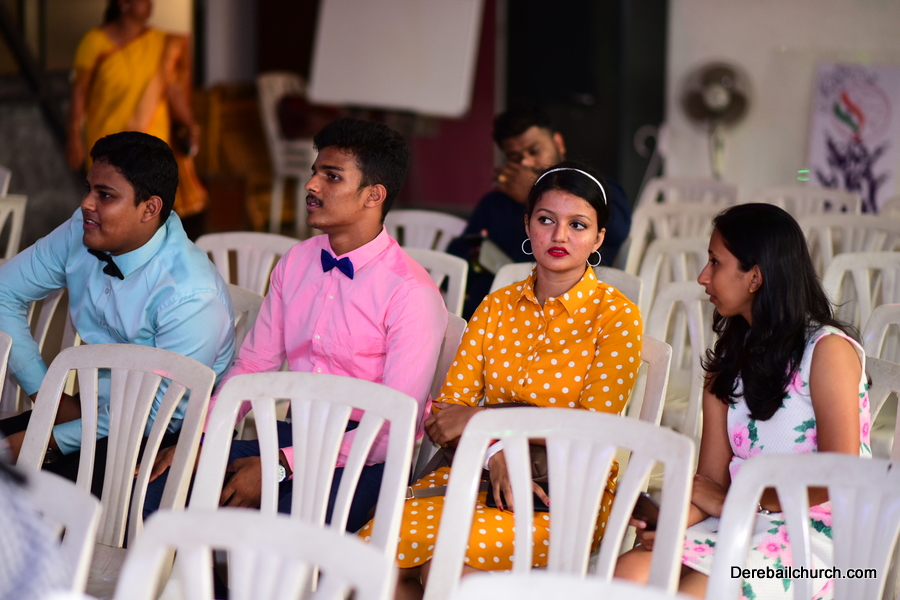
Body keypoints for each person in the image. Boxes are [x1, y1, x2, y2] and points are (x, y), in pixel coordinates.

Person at [144, 118, 448, 532]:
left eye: (332, 176)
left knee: (275, 538)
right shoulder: (297, 261)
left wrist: (280, 466)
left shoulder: (410, 292)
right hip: (292, 433)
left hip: (364, 457)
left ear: (373, 195)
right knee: (161, 491)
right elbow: (253, 365)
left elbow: (393, 429)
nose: (311, 185)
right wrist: (202, 436)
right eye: (314, 171)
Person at [365, 160, 643, 600]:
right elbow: (445, 415)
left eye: (578, 225)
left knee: (444, 570)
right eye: (546, 220)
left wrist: (482, 421)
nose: (560, 235)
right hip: (475, 472)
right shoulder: (497, 306)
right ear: (527, 225)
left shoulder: (616, 317)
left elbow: (593, 428)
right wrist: (495, 452)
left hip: (566, 489)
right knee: (371, 562)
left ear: (598, 238)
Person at [614, 203, 871, 599]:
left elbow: (839, 474)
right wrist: (671, 523)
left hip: (813, 533)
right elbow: (710, 483)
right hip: (737, 517)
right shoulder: (727, 362)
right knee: (627, 574)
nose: (703, 276)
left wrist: (739, 502)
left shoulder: (827, 352)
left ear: (755, 276)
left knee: (697, 591)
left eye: (715, 262)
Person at [0, 131, 234, 495]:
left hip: (161, 436)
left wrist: (45, 441)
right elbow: (4, 292)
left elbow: (160, 414)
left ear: (150, 209)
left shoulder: (190, 294)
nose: (86, 204)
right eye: (89, 189)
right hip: (93, 411)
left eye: (105, 195)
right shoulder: (81, 230)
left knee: (29, 497)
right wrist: (48, 397)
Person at [447, 106, 632, 318]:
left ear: (558, 143)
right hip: (494, 312)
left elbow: (618, 230)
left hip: (574, 313)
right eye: (515, 157)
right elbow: (456, 261)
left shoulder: (596, 191)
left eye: (535, 151)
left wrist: (532, 191)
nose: (526, 162)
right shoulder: (496, 202)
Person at [66, 0, 207, 220]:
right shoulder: (94, 42)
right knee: (109, 209)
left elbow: (172, 90)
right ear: (123, 3)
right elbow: (80, 89)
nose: (150, 3)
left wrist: (191, 125)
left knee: (149, 210)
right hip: (108, 142)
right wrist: (74, 133)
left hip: (151, 142)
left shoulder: (160, 43)